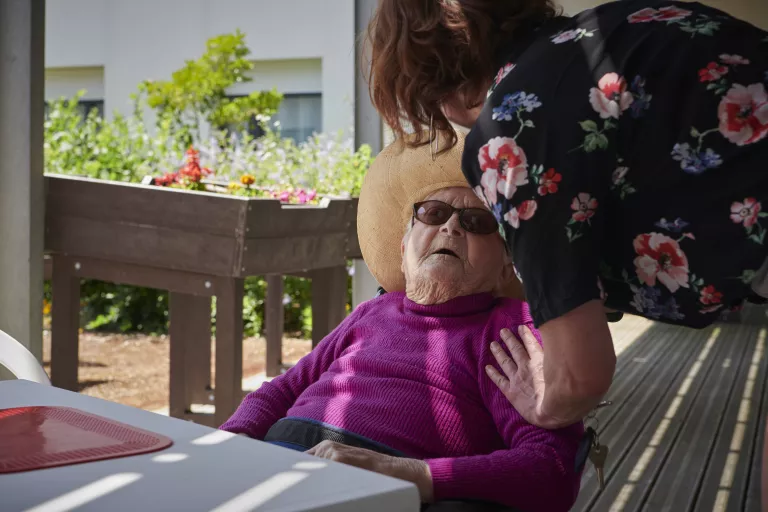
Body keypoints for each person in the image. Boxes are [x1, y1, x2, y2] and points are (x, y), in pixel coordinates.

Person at [366, 0, 768, 440]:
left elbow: (578, 377)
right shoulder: (614, 26)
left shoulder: (511, 129)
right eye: (433, 213)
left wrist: (543, 405)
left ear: (437, 76)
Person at [220, 133, 583, 512]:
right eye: (433, 213)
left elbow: (551, 468)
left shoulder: (512, 329)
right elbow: (280, 390)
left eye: (477, 221)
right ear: (403, 246)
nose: (451, 228)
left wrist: (408, 473)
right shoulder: (371, 312)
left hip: (387, 493)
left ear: (505, 269)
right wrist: (227, 445)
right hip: (280, 460)